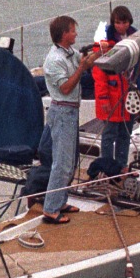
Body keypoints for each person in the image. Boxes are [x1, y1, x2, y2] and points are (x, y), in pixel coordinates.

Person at [38, 15, 103, 225]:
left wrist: (99, 51)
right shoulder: (54, 60)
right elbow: (66, 87)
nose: (76, 33)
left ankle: (61, 200)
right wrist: (82, 69)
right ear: (64, 34)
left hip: (71, 112)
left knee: (71, 160)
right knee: (62, 163)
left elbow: (83, 63)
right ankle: (50, 208)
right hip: (62, 112)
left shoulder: (69, 53)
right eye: (73, 30)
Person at [91, 6, 136, 171]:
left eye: (124, 22)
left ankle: (122, 166)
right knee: (109, 134)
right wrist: (103, 97)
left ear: (129, 22)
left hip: (129, 95)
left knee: (125, 133)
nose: (120, 26)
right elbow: (99, 72)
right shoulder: (104, 44)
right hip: (112, 95)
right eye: (117, 22)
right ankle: (108, 167)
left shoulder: (136, 38)